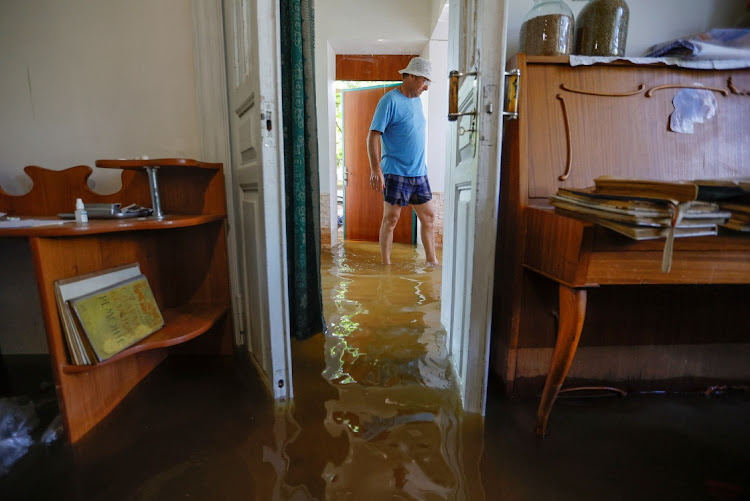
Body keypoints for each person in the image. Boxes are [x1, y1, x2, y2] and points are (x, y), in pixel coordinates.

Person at [366, 56, 439, 266]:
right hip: (396, 171)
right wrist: (375, 169)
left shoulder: (416, 101)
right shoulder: (389, 100)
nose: (426, 87)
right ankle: (385, 266)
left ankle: (432, 262)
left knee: (429, 217)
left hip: (418, 173)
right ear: (412, 76)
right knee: (391, 219)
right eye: (425, 81)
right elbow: (372, 135)